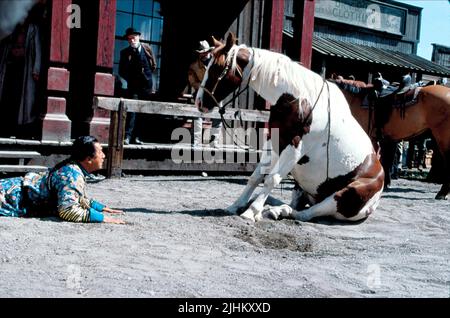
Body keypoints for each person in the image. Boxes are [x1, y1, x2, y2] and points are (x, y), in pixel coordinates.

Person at [0, 136, 125, 224]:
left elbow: (73, 195)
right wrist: (102, 218)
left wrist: (98, 207)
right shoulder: (72, 175)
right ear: (88, 159)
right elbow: (67, 210)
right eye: (100, 152)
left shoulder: (73, 167)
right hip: (9, 196)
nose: (104, 156)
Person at [0, 16, 42, 139]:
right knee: (8, 98)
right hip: (11, 69)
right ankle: (6, 127)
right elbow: (5, 44)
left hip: (25, 71)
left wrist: (36, 69)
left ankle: (22, 130)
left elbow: (37, 49)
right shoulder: (11, 28)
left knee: (24, 102)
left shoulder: (33, 29)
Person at [119, 27, 157, 145]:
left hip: (146, 86)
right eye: (129, 39)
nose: (132, 40)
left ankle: (138, 137)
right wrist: (131, 79)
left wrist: (147, 78)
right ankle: (128, 136)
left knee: (143, 111)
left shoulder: (147, 49)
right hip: (133, 87)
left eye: (133, 37)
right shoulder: (125, 53)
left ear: (139, 37)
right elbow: (121, 71)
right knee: (132, 111)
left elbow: (153, 65)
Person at [188, 40, 222, 148]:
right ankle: (196, 142)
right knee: (198, 115)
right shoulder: (194, 66)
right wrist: (204, 88)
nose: (205, 54)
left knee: (218, 116)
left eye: (206, 51)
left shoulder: (216, 63)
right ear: (199, 53)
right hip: (200, 94)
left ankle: (214, 141)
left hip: (216, 94)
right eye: (202, 52)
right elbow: (193, 82)